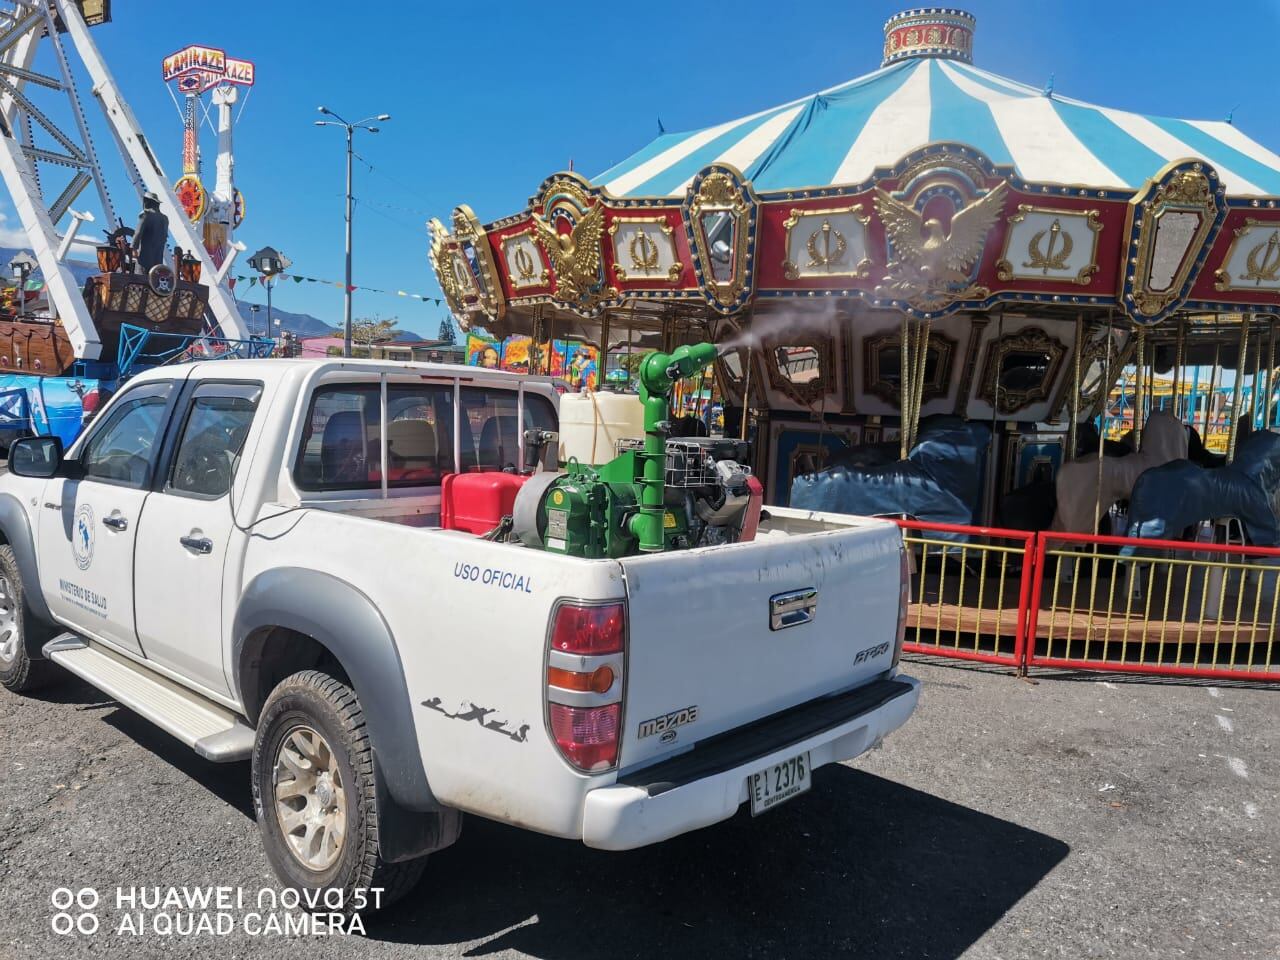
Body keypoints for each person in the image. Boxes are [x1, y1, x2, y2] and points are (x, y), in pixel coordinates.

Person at [131, 192, 168, 272]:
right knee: (154, 279)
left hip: (144, 257)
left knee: (140, 278)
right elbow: (165, 238)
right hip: (158, 258)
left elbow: (138, 233)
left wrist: (133, 249)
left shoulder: (145, 215)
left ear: (147, 201)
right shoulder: (164, 218)